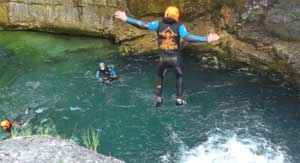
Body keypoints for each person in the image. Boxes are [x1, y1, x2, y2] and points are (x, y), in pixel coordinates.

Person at [114, 6, 220, 107]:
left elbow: (142, 25)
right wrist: (206, 39)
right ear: (177, 16)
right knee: (179, 76)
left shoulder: (158, 24)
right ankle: (179, 99)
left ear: (166, 14)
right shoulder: (180, 27)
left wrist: (126, 18)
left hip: (163, 59)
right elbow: (188, 37)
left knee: (160, 76)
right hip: (175, 59)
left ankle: (159, 98)